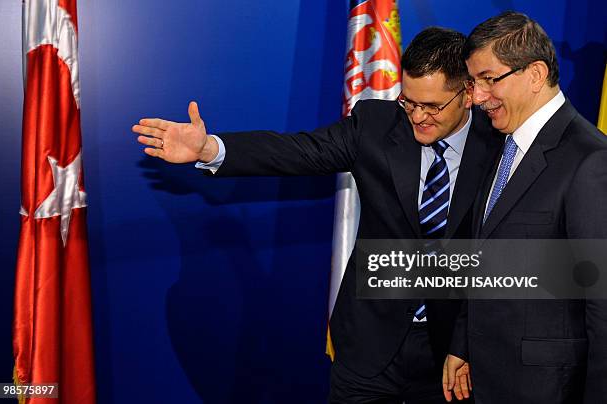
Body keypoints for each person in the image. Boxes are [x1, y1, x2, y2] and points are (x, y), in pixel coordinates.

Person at [133, 27, 501, 403]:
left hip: (453, 354)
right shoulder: (376, 124)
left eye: (433, 106)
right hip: (368, 346)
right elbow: (297, 151)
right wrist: (210, 149)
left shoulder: (500, 142)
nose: (418, 116)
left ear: (469, 93)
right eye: (409, 102)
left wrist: (467, 342)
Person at [442, 11, 607, 404]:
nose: (477, 97)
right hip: (486, 377)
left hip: (548, 389)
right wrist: (464, 343)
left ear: (534, 74)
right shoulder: (503, 144)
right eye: (473, 81)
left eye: (489, 79)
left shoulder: (590, 161)